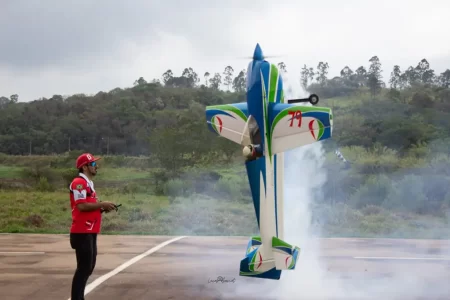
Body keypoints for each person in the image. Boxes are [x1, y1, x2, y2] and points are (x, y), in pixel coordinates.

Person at [69, 153, 117, 300]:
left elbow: (89, 206)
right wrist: (101, 204)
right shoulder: (79, 182)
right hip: (82, 231)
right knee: (84, 268)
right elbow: (82, 206)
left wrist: (101, 209)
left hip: (90, 230)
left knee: (88, 268)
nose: (96, 167)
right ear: (85, 167)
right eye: (93, 164)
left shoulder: (89, 184)